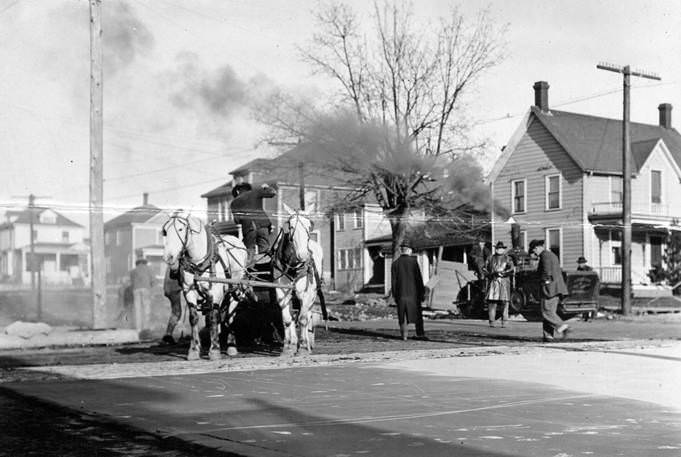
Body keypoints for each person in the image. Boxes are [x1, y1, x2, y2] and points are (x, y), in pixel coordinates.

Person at [529, 239, 569, 342]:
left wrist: (544, 282)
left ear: (537, 248)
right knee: (549, 312)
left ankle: (563, 327)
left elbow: (547, 272)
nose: (535, 254)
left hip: (549, 289)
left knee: (546, 312)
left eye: (534, 251)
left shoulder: (544, 255)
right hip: (557, 288)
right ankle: (548, 336)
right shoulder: (552, 255)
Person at [230, 182, 277, 264]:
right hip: (263, 226)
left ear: (238, 191)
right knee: (264, 249)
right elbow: (272, 192)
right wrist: (266, 187)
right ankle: (265, 269)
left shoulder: (234, 202)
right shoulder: (255, 192)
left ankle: (251, 270)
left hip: (249, 229)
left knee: (249, 251)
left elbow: (237, 221)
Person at [391, 241, 427, 341]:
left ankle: (404, 335)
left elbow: (393, 282)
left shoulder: (395, 264)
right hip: (414, 295)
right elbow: (418, 279)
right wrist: (422, 292)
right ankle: (420, 334)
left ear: (401, 250)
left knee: (402, 316)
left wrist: (395, 295)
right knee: (417, 315)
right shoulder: (414, 262)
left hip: (401, 294)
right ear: (409, 250)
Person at [485, 241, 514, 327]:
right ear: (495, 249)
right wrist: (491, 274)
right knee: (492, 303)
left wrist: (503, 273)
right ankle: (492, 321)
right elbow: (484, 269)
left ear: (504, 249)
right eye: (498, 248)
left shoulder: (508, 258)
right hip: (493, 282)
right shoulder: (490, 258)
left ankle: (504, 321)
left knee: (504, 303)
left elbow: (512, 269)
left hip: (504, 283)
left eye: (501, 248)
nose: (499, 250)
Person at [130, 258, 155, 335]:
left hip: (136, 290)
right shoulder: (149, 269)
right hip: (146, 289)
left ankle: (138, 328)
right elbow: (153, 281)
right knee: (146, 308)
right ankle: (145, 327)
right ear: (145, 263)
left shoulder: (133, 271)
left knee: (138, 309)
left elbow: (132, 282)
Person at [162, 267, 183, 345]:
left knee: (176, 312)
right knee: (177, 312)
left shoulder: (171, 264)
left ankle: (168, 334)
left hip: (169, 289)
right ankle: (168, 335)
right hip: (173, 289)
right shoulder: (176, 265)